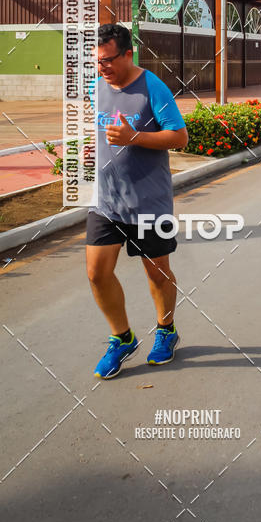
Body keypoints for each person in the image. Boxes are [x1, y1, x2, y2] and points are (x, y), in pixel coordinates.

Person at [86, 24, 188, 379]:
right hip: (105, 200)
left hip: (149, 201)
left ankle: (166, 330)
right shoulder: (95, 87)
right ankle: (122, 337)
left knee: (156, 272)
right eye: (97, 61)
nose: (102, 67)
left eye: (109, 60)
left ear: (128, 54)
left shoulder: (152, 88)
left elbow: (180, 137)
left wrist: (135, 137)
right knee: (97, 274)